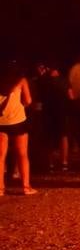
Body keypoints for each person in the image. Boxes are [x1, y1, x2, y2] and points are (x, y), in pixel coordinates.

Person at [0, 63, 37, 195]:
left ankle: (0, 189)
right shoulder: (21, 80)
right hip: (18, 120)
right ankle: (26, 187)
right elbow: (28, 100)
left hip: (0, 121)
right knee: (22, 154)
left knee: (0, 156)